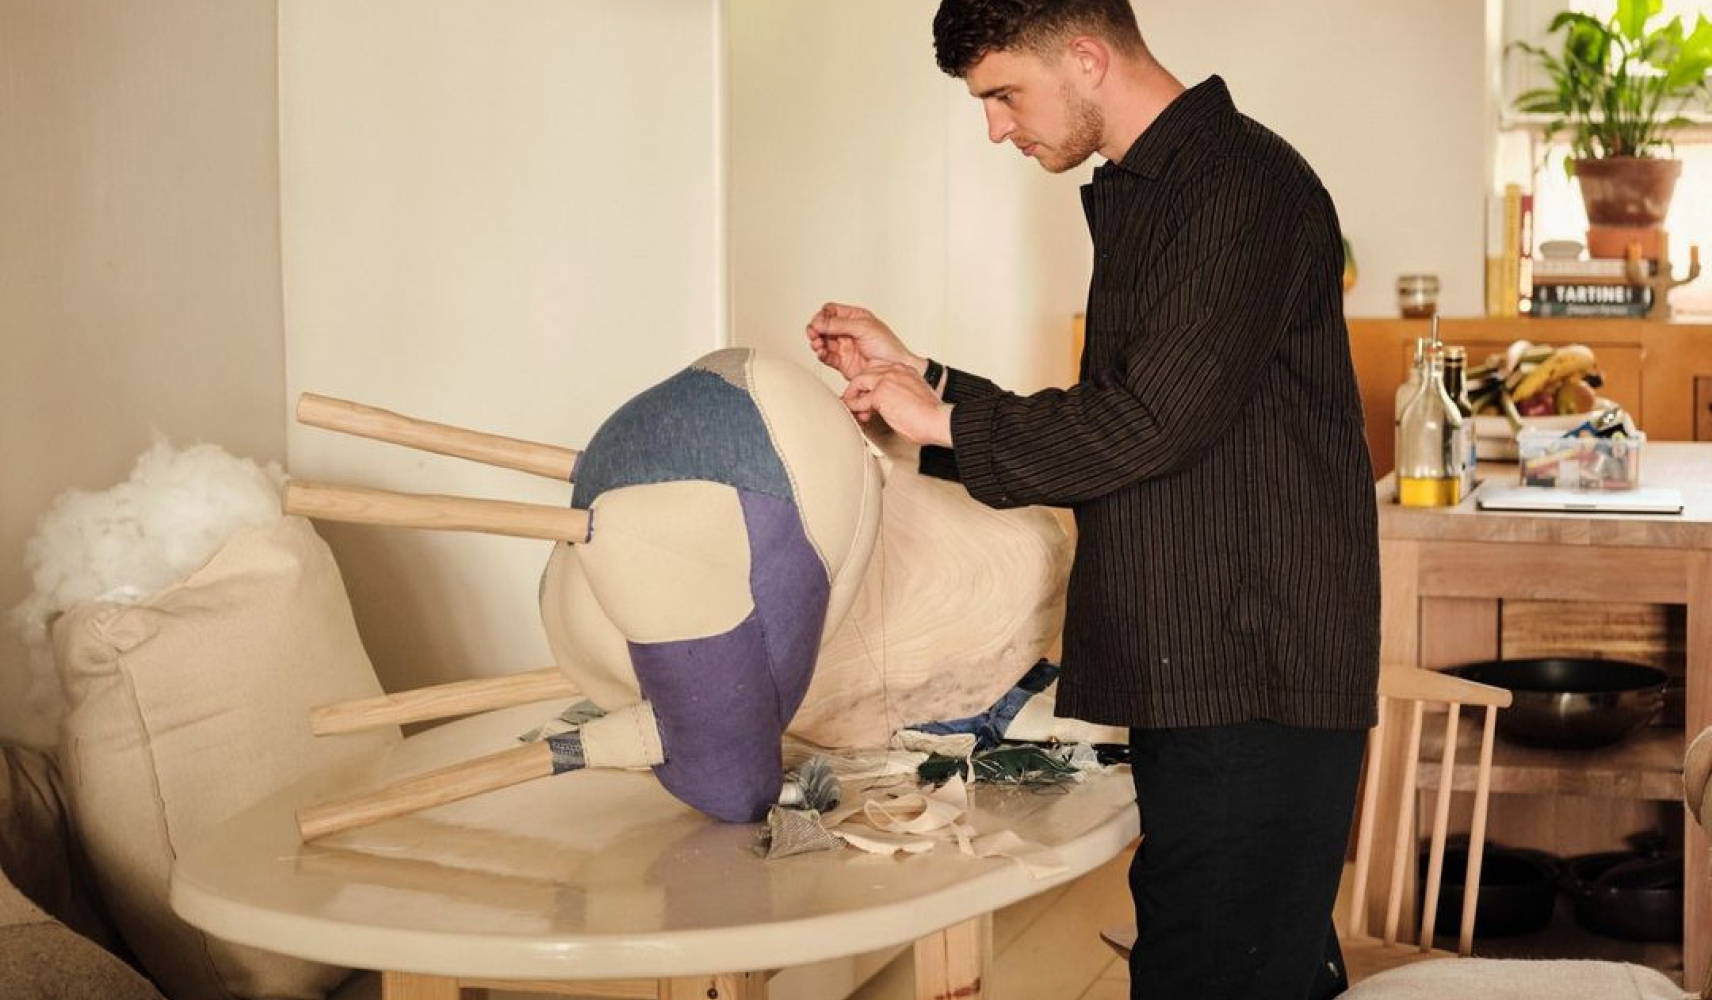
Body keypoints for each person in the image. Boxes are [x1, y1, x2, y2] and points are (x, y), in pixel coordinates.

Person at [805, 3, 1379, 999]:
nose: (994, 127)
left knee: (1219, 971)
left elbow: (1148, 424)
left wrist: (938, 422)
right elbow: (1118, 417)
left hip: (1253, 666)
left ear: (1082, 57)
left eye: (1001, 96)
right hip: (1209, 658)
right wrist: (919, 383)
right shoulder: (1161, 191)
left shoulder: (1235, 186)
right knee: (1223, 959)